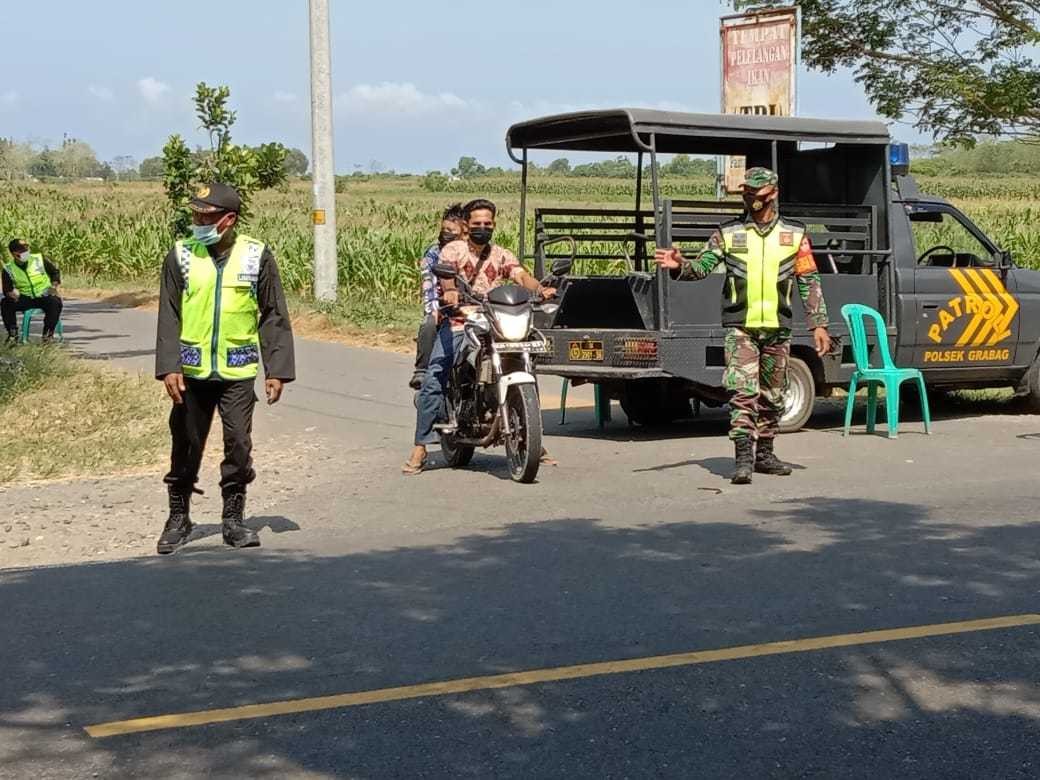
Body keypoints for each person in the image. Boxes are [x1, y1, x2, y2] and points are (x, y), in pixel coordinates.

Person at [655, 167, 831, 485]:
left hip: (778, 326)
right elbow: (702, 268)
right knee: (742, 393)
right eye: (747, 193)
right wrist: (680, 266)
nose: (751, 199)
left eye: (757, 194)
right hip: (742, 327)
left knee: (774, 395)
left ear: (773, 193)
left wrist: (818, 324)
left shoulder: (794, 234)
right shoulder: (728, 233)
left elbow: (809, 280)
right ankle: (743, 458)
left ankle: (765, 452)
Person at [154, 182, 296, 554]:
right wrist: (169, 366)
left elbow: (273, 314)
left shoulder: (256, 255)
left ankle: (234, 519)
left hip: (237, 370)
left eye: (207, 215)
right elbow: (169, 314)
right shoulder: (181, 255)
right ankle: (178, 517)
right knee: (185, 443)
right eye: (196, 214)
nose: (198, 220)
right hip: (191, 371)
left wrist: (276, 369)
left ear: (228, 219)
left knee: (238, 443)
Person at [403, 198, 555, 474]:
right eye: (477, 224)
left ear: (494, 225)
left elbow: (521, 276)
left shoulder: (501, 254)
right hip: (460, 321)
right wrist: (450, 292)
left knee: (525, 363)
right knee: (436, 373)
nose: (482, 228)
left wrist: (540, 289)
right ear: (467, 225)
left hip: (493, 322)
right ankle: (421, 446)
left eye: (487, 224)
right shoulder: (454, 250)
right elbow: (446, 278)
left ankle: (533, 438)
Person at [409, 204, 468, 390]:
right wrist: (434, 309)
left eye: (451, 231)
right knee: (428, 324)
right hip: (443, 306)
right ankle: (422, 370)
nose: (446, 234)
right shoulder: (433, 253)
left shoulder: (473, 252)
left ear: (464, 233)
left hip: (471, 307)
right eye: (444, 230)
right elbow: (429, 285)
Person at [2, 239, 63, 343]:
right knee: (5, 303)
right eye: (21, 251)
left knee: (55, 302)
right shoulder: (8, 269)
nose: (25, 252)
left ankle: (48, 335)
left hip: (44, 295)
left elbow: (55, 273)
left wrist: (53, 286)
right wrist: (12, 294)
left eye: (26, 249)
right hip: (25, 297)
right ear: (14, 254)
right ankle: (13, 334)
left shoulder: (38, 259)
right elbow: (7, 290)